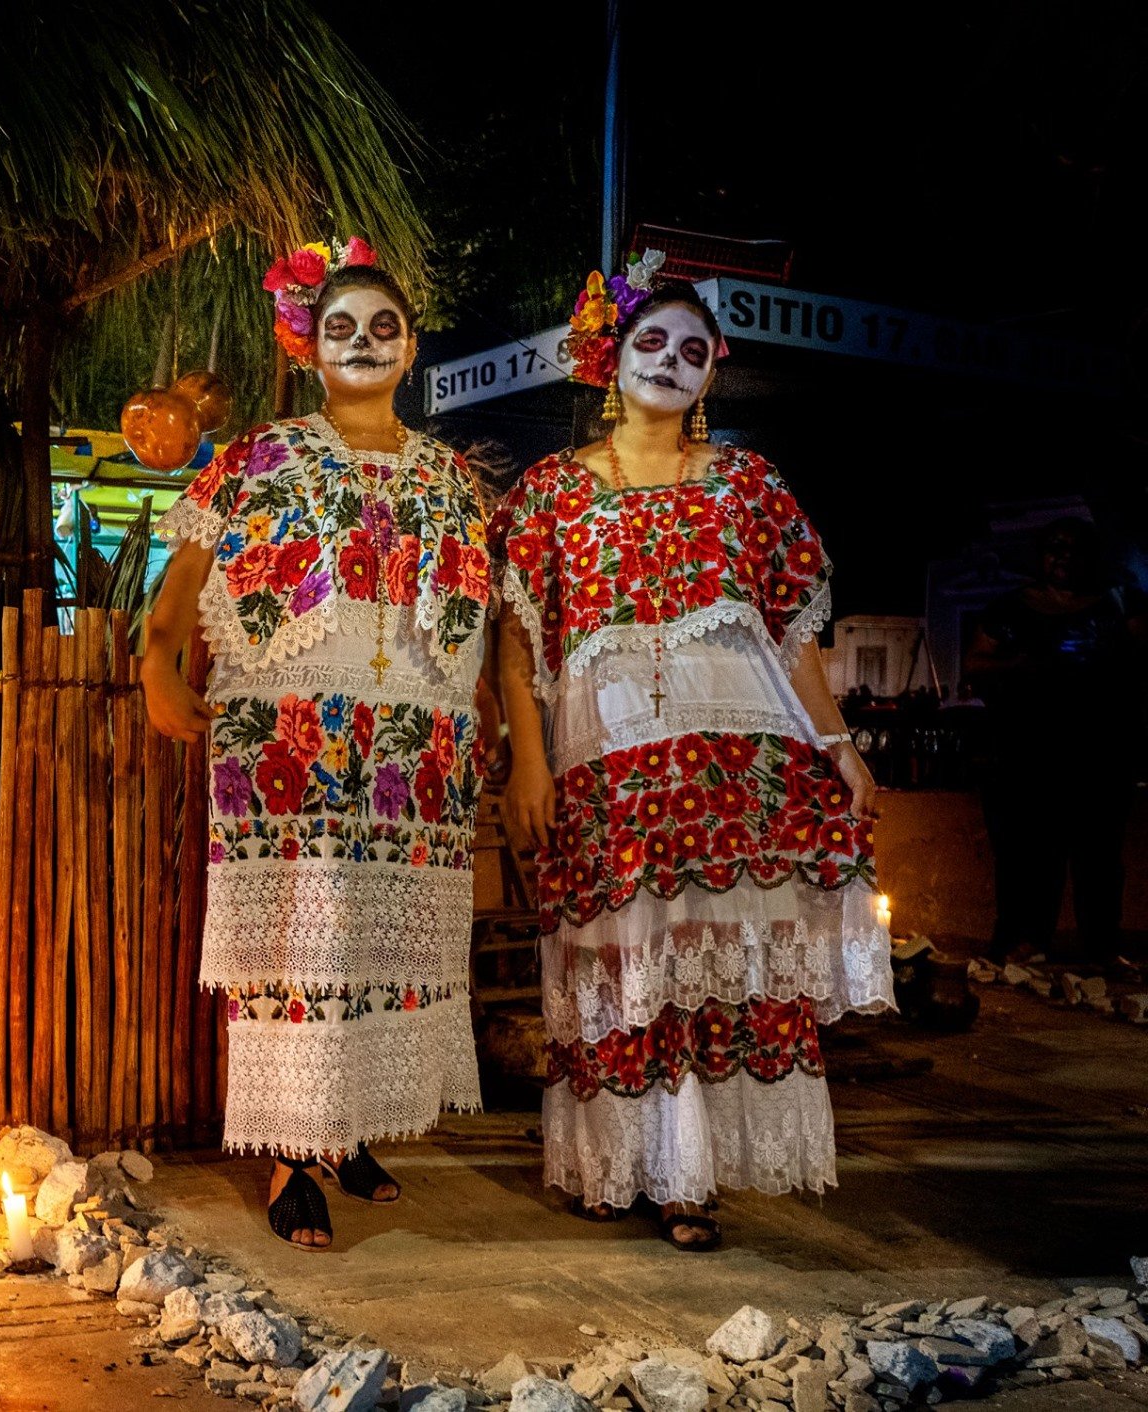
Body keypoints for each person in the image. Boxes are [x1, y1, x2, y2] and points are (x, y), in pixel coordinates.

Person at [490, 254, 894, 1250]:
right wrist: (527, 762)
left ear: (712, 372)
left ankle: (682, 1176)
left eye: (690, 350)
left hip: (733, 773)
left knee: (704, 960)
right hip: (606, 771)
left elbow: (790, 634)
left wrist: (836, 747)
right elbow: (514, 643)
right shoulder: (548, 491)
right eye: (648, 342)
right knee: (620, 962)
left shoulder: (746, 485)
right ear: (609, 359)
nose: (667, 361)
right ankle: (613, 1163)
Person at [143, 240, 496, 1251]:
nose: (362, 341)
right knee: (305, 937)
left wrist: (493, 724)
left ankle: (350, 1131)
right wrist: (158, 662)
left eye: (382, 326)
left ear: (410, 346)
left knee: (385, 947)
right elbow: (184, 583)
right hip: (290, 738)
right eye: (341, 326)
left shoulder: (454, 480)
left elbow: (476, 627)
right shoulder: (255, 457)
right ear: (309, 344)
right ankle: (290, 1153)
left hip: (412, 748)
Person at [965, 518, 1146, 965]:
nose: (1063, 556)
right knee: (1028, 856)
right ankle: (1022, 945)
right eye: (1054, 547)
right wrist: (1021, 665)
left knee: (1099, 859)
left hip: (1099, 756)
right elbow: (975, 664)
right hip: (1027, 757)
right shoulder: (1011, 608)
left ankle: (1100, 949)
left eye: (1073, 548)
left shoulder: (1119, 604)